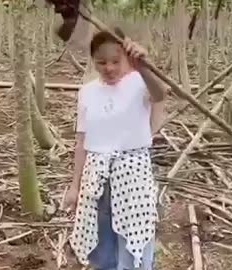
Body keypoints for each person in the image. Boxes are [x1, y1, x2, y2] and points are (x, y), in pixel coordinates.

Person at [63, 27, 167, 270]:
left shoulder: (140, 81)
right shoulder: (87, 92)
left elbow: (161, 94)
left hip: (133, 176)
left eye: (115, 61)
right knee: (102, 246)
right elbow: (82, 141)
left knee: (136, 242)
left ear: (126, 58)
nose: (108, 68)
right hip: (96, 178)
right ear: (92, 61)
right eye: (101, 62)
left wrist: (144, 65)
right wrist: (75, 186)